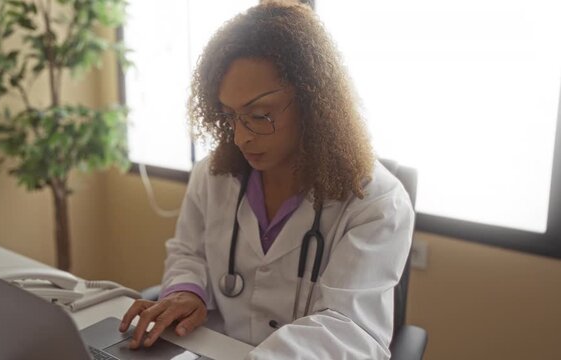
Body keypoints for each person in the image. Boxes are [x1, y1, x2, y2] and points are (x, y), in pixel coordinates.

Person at [119, 1, 414, 359]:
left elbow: (348, 328)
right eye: (231, 116)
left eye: (259, 116)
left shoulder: (376, 203)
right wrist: (187, 291)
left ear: (313, 104)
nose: (241, 138)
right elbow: (189, 253)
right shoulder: (214, 176)